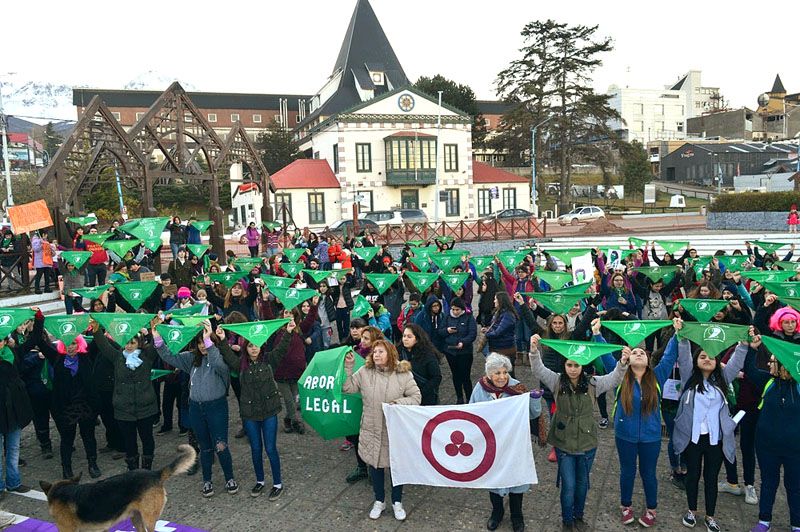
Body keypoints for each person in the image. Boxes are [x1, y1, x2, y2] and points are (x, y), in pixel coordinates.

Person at [529, 334, 629, 531]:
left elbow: (614, 378)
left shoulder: (593, 383)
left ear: (583, 366)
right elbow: (538, 370)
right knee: (568, 486)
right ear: (564, 366)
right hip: (563, 442)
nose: (573, 369)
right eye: (569, 365)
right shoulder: (556, 381)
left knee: (583, 484)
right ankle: (567, 520)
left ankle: (579, 516)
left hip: (586, 443)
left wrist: (623, 363)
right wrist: (533, 351)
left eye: (576, 365)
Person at [671, 318, 751, 532]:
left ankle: (710, 516)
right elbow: (684, 355)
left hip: (716, 440)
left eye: (711, 357)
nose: (707, 360)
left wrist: (743, 343)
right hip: (692, 438)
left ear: (717, 362)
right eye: (703, 356)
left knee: (711, 478)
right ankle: (691, 510)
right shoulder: (689, 377)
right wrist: (682, 335)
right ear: (697, 360)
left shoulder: (723, 379)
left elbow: (736, 361)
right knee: (692, 475)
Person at [601, 320, 680, 528]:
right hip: (624, 434)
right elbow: (606, 358)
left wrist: (677, 334)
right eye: (634, 352)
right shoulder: (622, 376)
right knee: (627, 471)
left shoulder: (657, 376)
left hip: (651, 436)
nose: (638, 354)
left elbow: (670, 356)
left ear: (648, 360)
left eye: (642, 353)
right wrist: (597, 333)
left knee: (648, 473)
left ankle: (651, 508)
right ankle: (625, 506)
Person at [153, 320, 239, 498]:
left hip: (216, 408)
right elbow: (170, 356)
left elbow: (218, 365)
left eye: (205, 342)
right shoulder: (191, 359)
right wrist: (158, 339)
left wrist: (209, 340)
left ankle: (229, 478)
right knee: (205, 447)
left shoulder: (220, 359)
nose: (202, 346)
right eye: (199, 343)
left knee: (220, 445)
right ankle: (207, 480)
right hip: (196, 408)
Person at [343, 339, 421, 521]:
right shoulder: (364, 372)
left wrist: (397, 403)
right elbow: (347, 388)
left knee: (396, 467)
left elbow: (416, 397)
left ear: (390, 354)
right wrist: (348, 367)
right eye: (375, 352)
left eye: (381, 352)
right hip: (371, 427)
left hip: (394, 430)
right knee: (375, 466)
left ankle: (397, 501)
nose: (376, 355)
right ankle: (379, 500)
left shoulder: (403, 374)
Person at [470, 353, 538, 532]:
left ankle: (517, 515)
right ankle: (497, 512)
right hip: (491, 444)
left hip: (514, 443)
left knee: (516, 479)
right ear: (489, 375)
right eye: (497, 373)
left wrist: (535, 400)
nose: (502, 377)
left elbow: (533, 414)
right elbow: (471, 412)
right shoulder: (480, 388)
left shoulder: (517, 387)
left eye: (504, 372)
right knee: (494, 479)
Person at [31, 310, 102, 480]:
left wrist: (96, 324)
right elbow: (39, 341)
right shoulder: (57, 358)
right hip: (65, 407)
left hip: (85, 405)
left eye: (74, 344)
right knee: (67, 440)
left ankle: (92, 463)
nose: (71, 347)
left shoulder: (86, 358)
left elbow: (99, 341)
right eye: (68, 344)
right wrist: (38, 319)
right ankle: (67, 468)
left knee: (88, 437)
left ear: (79, 344)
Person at [90, 319, 159, 471]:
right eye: (127, 343)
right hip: (124, 409)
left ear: (139, 343)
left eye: (133, 343)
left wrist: (155, 329)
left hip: (145, 408)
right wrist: (96, 331)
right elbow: (104, 345)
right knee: (129, 442)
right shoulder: (117, 357)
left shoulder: (147, 357)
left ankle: (147, 469)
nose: (129, 346)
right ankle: (133, 470)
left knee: (147, 439)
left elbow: (157, 344)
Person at [239, 320, 295, 500]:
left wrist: (288, 332)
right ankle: (260, 481)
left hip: (269, 413)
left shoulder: (269, 359)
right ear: (245, 349)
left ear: (261, 347)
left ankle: (277, 483)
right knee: (256, 449)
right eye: (250, 346)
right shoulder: (241, 365)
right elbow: (225, 353)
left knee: (270, 448)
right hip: (250, 415)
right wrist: (222, 341)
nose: (253, 349)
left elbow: (282, 348)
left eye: (256, 345)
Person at [0, 331, 34, 494]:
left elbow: (32, 341)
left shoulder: (12, 355)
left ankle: (14, 482)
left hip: (13, 411)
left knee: (13, 449)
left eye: (1, 340)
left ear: (6, 342)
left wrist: (38, 320)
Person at [439, 297, 477, 403]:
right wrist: (447, 330)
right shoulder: (447, 317)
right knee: (455, 375)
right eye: (453, 309)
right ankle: (459, 397)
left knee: (465, 376)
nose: (455, 312)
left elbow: (472, 334)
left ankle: (469, 397)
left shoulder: (469, 317)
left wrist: (463, 342)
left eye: (457, 310)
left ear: (462, 309)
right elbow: (440, 331)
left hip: (465, 352)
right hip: (450, 351)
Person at [398, 323, 442, 406]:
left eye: (409, 337)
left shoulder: (428, 354)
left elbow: (436, 377)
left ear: (417, 339)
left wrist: (421, 392)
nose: (405, 339)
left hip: (425, 398)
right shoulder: (398, 352)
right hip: (405, 398)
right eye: (404, 336)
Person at [483, 292, 518, 376]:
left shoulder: (508, 315)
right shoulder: (499, 312)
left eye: (495, 299)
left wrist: (487, 334)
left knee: (508, 375)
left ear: (500, 301)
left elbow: (498, 332)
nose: (494, 301)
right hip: (498, 348)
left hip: (505, 349)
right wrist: (488, 329)